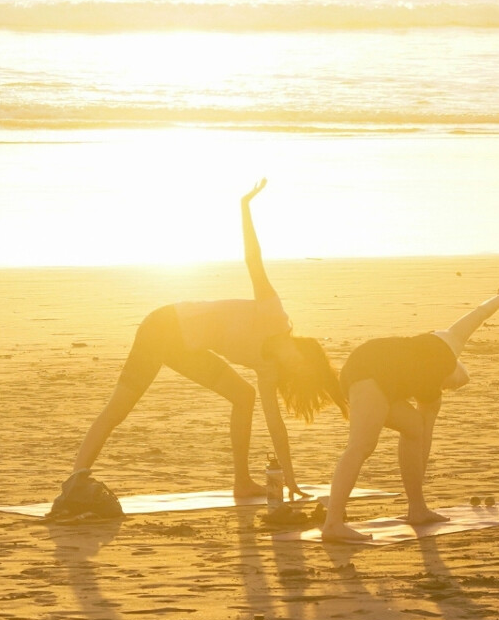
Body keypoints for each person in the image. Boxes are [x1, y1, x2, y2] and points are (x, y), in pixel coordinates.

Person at [59, 180, 344, 510]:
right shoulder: (273, 314)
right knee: (118, 409)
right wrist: (245, 206)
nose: (293, 366)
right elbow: (254, 259)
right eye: (299, 361)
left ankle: (241, 481)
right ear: (302, 347)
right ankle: (77, 478)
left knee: (243, 395)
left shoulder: (268, 370)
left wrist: (290, 478)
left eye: (297, 371)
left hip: (187, 348)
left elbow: (275, 423)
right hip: (164, 326)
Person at [321, 283, 499, 542]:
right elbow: (479, 314)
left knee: (412, 426)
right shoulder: (448, 349)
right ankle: (332, 523)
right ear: (454, 370)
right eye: (451, 385)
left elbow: (421, 440)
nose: (446, 389)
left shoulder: (442, 348)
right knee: (361, 446)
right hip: (368, 371)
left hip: (372, 373)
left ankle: (417, 509)